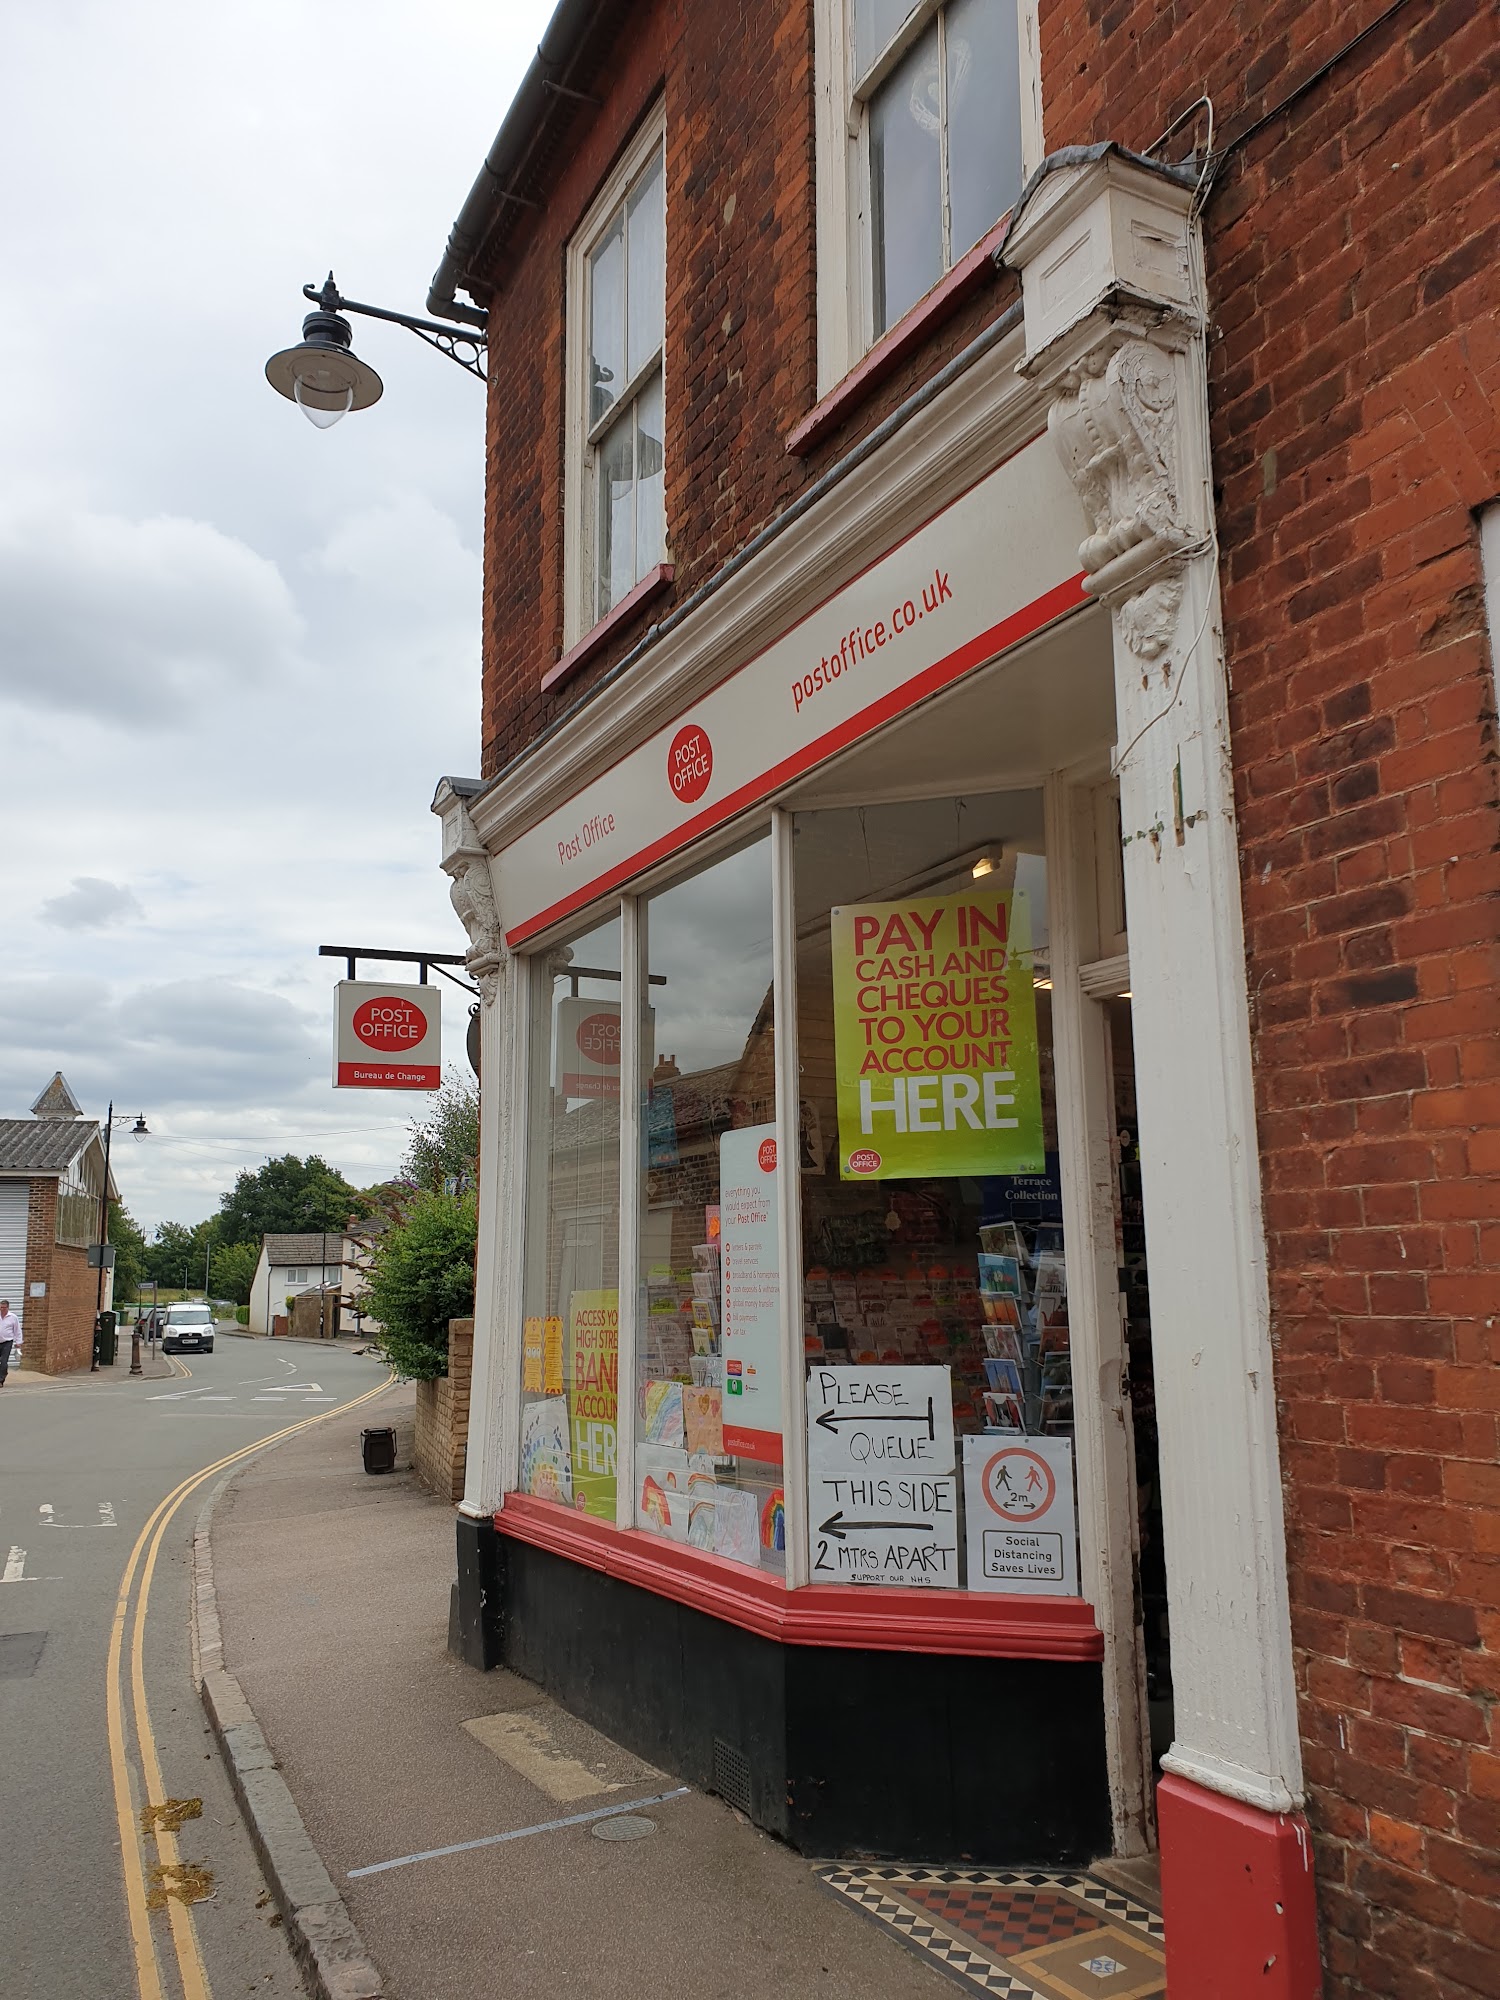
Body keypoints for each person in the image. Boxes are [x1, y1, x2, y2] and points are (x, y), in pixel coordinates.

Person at [0, 1299, 21, 1386]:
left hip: (7, 1342)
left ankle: (1, 1379)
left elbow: (17, 1330)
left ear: (8, 1308)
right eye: (1, 1307)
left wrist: (18, 1342)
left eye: (4, 1308)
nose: (2, 1309)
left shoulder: (13, 1317)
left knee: (4, 1362)